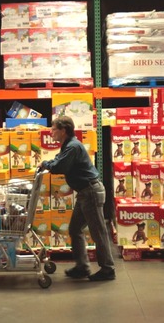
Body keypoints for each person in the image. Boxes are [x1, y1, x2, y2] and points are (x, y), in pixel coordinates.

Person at [40, 116, 116, 281]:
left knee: (99, 232)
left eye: (54, 129)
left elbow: (59, 166)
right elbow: (58, 160)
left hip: (90, 193)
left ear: (63, 130)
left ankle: (108, 269)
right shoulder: (68, 145)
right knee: (75, 229)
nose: (51, 132)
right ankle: (82, 266)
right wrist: (48, 162)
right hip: (85, 193)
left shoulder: (73, 147)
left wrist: (46, 164)